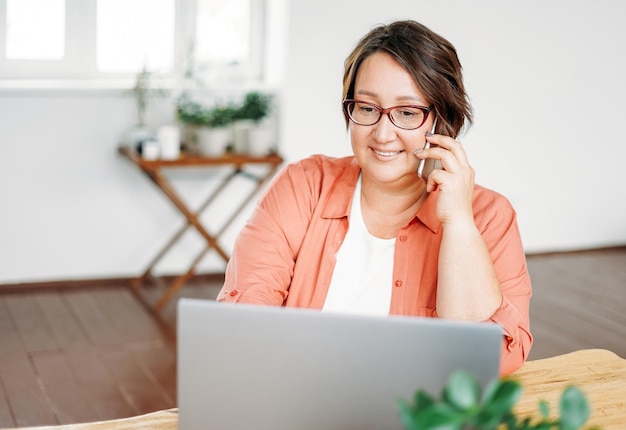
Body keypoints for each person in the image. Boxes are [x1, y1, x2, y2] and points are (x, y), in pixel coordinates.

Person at [217, 20, 532, 375]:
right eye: (367, 108)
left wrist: (459, 224)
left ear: (442, 122)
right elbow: (244, 319)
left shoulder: (489, 215)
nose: (383, 134)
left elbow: (495, 359)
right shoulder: (304, 184)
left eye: (408, 113)